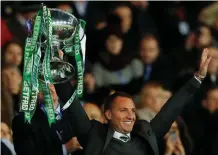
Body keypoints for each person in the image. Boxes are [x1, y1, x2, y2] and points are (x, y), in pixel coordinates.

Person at [66, 48, 211, 155]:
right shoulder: (93, 135)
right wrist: (56, 70)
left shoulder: (145, 136)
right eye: (123, 110)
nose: (131, 116)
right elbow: (72, 105)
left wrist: (197, 78)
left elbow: (171, 109)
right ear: (108, 114)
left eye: (133, 111)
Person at [12, 84, 77, 155]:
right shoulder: (23, 121)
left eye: (49, 82)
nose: (47, 87)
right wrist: (64, 149)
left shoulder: (74, 112)